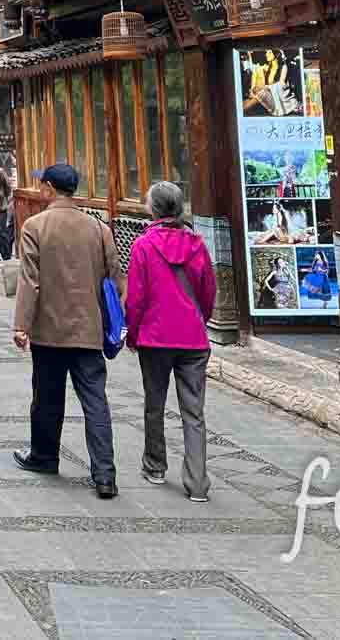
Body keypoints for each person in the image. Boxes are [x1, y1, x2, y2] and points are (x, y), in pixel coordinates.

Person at [11, 162, 122, 498]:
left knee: (47, 397)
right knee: (95, 401)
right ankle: (105, 474)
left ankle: (45, 457)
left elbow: (30, 281)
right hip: (89, 329)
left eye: (41, 185)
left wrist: (21, 325)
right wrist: (115, 320)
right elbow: (115, 278)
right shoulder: (98, 228)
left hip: (49, 330)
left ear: (48, 188)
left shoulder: (35, 226)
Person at [125, 180, 215, 502]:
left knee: (155, 404)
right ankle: (198, 484)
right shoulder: (197, 245)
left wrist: (132, 333)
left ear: (153, 209)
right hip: (192, 338)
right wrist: (198, 321)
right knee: (194, 412)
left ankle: (155, 466)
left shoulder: (143, 246)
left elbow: (136, 297)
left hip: (155, 337)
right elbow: (208, 292)